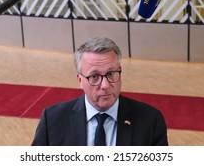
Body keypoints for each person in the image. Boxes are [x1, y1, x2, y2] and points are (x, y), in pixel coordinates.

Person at [31, 37, 168, 146]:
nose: (105, 85)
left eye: (111, 74)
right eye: (94, 77)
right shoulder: (53, 120)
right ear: (80, 80)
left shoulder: (151, 120)